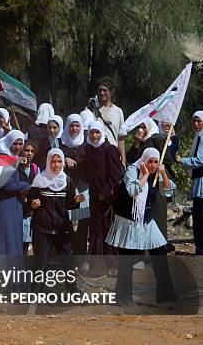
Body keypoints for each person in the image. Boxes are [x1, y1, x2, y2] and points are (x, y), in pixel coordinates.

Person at [106, 148, 176, 305]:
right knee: (126, 259)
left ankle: (166, 295)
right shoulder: (132, 170)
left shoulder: (158, 173)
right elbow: (132, 190)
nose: (152, 165)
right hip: (128, 220)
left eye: (155, 162)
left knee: (160, 254)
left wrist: (163, 173)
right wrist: (144, 175)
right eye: (149, 161)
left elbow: (168, 192)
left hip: (146, 219)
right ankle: (122, 297)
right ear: (143, 160)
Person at [28, 149, 83, 284]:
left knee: (67, 261)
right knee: (41, 262)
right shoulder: (39, 180)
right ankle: (36, 293)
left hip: (62, 228)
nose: (56, 165)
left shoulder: (67, 181)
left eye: (59, 162)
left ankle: (72, 291)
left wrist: (76, 201)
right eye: (53, 161)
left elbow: (69, 204)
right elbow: (30, 199)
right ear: (48, 162)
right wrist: (33, 203)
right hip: (42, 229)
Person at [77, 121, 124, 274]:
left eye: (97, 132)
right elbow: (86, 173)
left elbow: (117, 173)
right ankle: (97, 265)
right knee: (96, 230)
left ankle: (114, 264)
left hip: (108, 199)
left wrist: (106, 191)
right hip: (95, 197)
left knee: (107, 229)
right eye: (92, 133)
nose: (95, 135)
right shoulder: (89, 150)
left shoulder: (109, 149)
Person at [0, 130, 30, 255]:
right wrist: (25, 185)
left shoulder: (12, 158)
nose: (18, 147)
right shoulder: (3, 158)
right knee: (5, 237)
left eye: (20, 144)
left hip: (13, 203)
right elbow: (5, 185)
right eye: (15, 144)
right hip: (4, 204)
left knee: (13, 236)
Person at [60, 114, 91, 260]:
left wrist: (76, 162)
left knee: (82, 223)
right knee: (69, 222)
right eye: (72, 125)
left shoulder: (86, 143)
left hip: (83, 188)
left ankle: (80, 255)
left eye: (77, 125)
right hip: (67, 189)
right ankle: (69, 255)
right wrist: (64, 159)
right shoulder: (62, 143)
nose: (74, 129)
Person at [176, 111, 203, 255]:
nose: (196, 124)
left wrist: (183, 161)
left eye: (198, 121)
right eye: (194, 121)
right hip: (198, 180)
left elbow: (200, 160)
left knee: (200, 217)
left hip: (201, 182)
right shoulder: (199, 136)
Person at [92, 77, 126, 164]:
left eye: (105, 90)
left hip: (113, 154)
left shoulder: (118, 111)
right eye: (100, 90)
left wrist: (123, 159)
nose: (102, 93)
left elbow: (121, 137)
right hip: (96, 154)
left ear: (111, 91)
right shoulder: (93, 110)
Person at [19, 140, 38, 254]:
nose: (29, 153)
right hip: (18, 208)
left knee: (27, 238)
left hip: (30, 209)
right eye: (26, 150)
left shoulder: (35, 169)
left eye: (32, 151)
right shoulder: (15, 167)